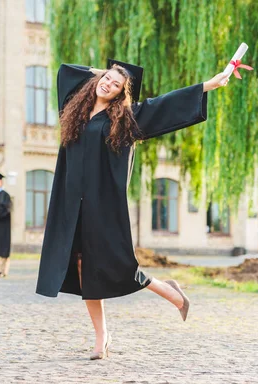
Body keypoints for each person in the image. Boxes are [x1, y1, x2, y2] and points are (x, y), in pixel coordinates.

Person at [36, 59, 229, 360]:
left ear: (120, 95)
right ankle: (102, 337)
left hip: (102, 205)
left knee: (119, 264)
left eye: (115, 85)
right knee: (83, 268)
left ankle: (169, 292)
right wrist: (109, 71)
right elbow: (66, 71)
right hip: (72, 203)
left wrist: (207, 85)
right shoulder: (75, 106)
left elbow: (162, 105)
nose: (107, 85)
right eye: (105, 79)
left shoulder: (124, 118)